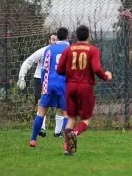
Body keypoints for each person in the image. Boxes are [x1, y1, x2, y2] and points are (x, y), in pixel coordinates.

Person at [56, 25, 112, 156]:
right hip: (85, 87)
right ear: (88, 36)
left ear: (76, 36)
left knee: (71, 117)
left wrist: (71, 71)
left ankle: (68, 149)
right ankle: (75, 134)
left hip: (70, 86)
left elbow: (59, 69)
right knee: (86, 118)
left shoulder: (69, 49)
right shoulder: (92, 50)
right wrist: (106, 76)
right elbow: (97, 69)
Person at [17, 34, 66, 138]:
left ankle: (57, 132)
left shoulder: (63, 51)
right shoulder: (43, 51)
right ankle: (41, 129)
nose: (55, 41)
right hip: (40, 79)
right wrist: (21, 77)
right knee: (41, 104)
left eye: (57, 39)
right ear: (49, 41)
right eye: (53, 39)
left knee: (61, 106)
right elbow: (28, 61)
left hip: (56, 81)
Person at [29, 27, 70, 147]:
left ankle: (33, 140)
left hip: (49, 84)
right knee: (66, 113)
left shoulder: (49, 49)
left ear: (57, 36)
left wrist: (43, 84)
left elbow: (43, 69)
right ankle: (67, 143)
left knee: (41, 112)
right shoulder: (70, 50)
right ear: (67, 36)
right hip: (63, 85)